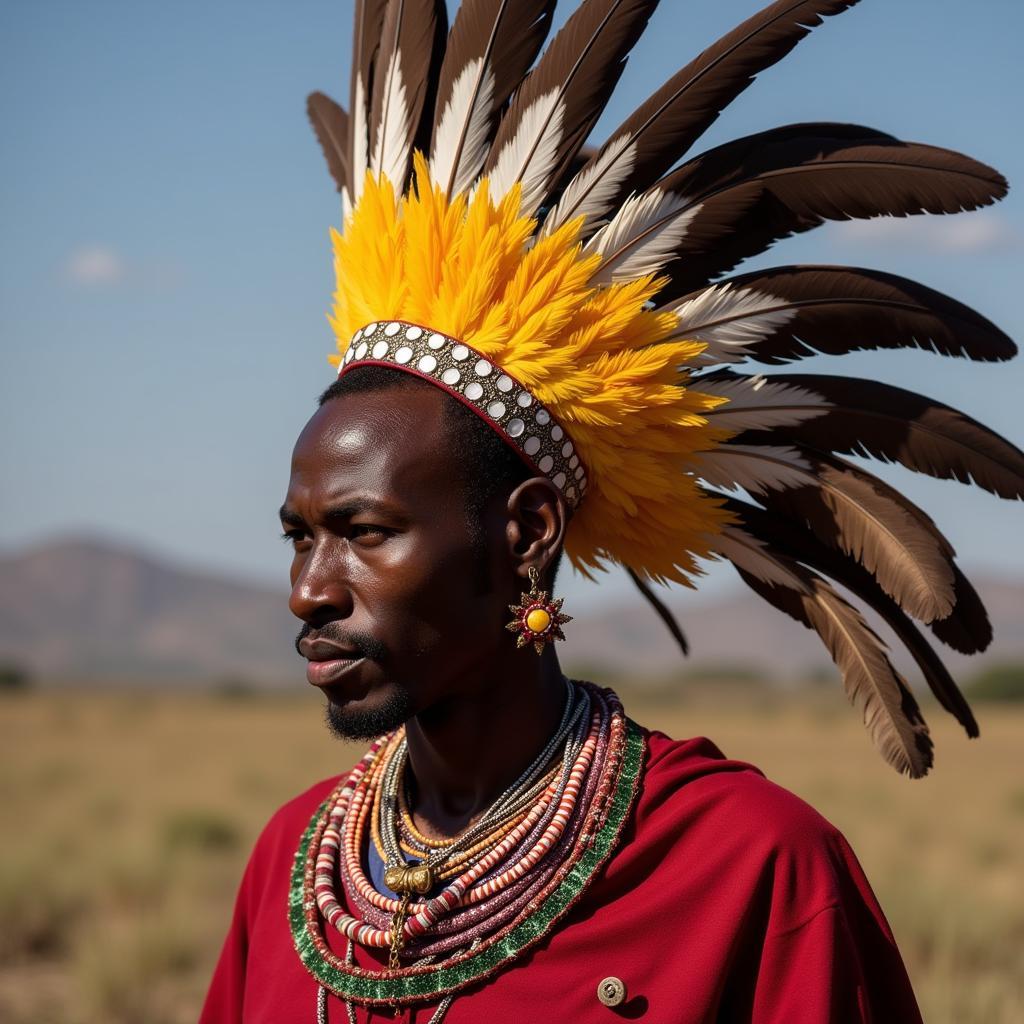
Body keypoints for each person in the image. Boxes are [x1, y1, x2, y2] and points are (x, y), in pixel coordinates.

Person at [202, 0, 1022, 1020]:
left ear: (527, 532)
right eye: (300, 537)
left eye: (363, 533)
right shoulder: (293, 862)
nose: (309, 591)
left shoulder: (750, 867)